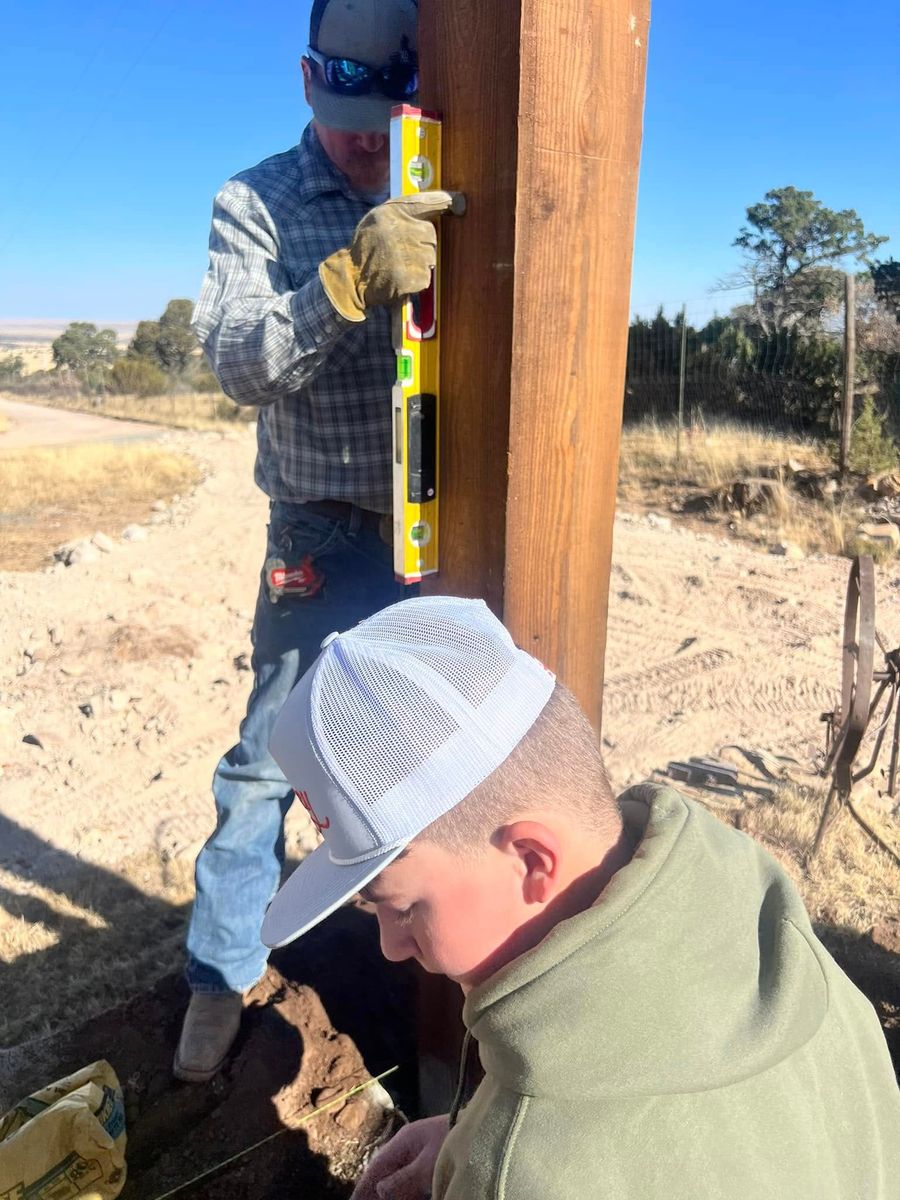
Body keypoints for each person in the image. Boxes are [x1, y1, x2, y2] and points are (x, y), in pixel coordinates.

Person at [260, 595, 900, 1200]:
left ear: (533, 861)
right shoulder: (785, 957)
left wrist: (491, 1166)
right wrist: (473, 1140)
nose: (391, 947)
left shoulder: (529, 1174)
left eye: (400, 907)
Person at [174, 0, 453, 1082]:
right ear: (305, 79)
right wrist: (341, 281)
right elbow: (239, 362)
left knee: (421, 764)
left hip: (433, 530)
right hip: (320, 535)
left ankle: (422, 961)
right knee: (265, 766)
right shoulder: (255, 201)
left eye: (381, 116)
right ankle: (218, 972)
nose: (362, 138)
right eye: (345, 112)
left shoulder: (427, 176)